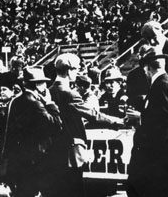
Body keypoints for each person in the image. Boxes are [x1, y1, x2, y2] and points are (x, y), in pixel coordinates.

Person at [48, 53, 124, 197]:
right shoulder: (70, 94)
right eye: (76, 69)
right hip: (70, 154)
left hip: (53, 152)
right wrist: (117, 121)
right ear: (69, 70)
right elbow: (93, 115)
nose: (77, 73)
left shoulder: (48, 91)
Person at [126, 46, 168, 197]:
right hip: (155, 152)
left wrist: (140, 117)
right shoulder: (160, 84)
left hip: (158, 153)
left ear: (147, 68)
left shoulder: (163, 85)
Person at [2, 66, 62, 197]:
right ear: (37, 84)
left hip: (19, 157)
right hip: (36, 157)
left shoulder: (15, 101)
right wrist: (50, 103)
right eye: (43, 82)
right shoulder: (35, 103)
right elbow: (56, 124)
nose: (45, 85)